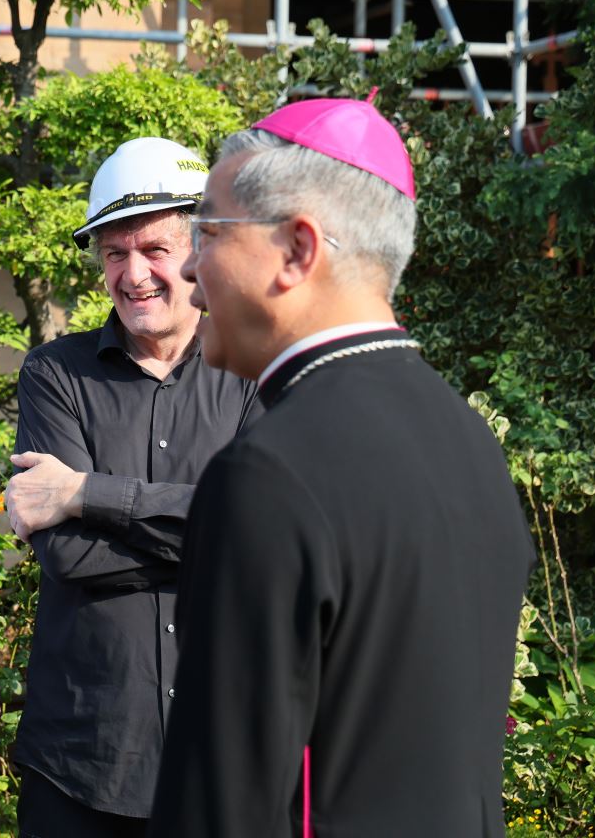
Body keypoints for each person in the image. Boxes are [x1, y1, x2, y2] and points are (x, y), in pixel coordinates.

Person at [150, 97, 534, 836]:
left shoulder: (268, 474)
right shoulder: (470, 438)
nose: (190, 267)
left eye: (207, 231)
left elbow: (219, 805)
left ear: (298, 250)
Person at [1, 137, 262, 837]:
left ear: (199, 249)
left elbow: (264, 538)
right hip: (81, 759)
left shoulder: (254, 370)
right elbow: (67, 555)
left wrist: (86, 493)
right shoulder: (56, 375)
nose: (134, 273)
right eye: (115, 253)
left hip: (223, 757)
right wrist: (210, 535)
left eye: (154, 249)